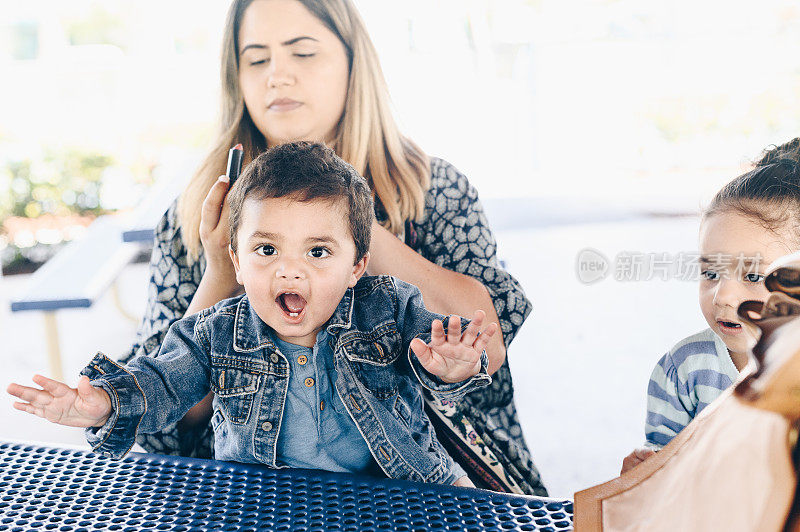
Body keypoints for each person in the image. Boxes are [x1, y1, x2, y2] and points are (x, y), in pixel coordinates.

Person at [117, 0, 542, 494]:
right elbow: (166, 429)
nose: (277, 76)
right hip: (252, 490)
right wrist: (220, 270)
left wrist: (343, 213)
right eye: (256, 60)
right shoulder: (198, 211)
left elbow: (486, 344)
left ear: (351, 63)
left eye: (302, 53)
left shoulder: (433, 187)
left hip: (437, 480)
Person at [7, 142, 498, 486]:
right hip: (263, 504)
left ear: (357, 266)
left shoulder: (389, 305)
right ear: (236, 261)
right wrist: (105, 404)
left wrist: (453, 367)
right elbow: (159, 380)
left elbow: (439, 356)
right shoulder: (216, 332)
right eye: (266, 249)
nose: (290, 270)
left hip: (404, 487)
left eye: (319, 252)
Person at [621, 154, 800, 474]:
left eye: (754, 276)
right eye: (711, 272)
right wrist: (646, 470)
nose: (722, 296)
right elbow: (664, 461)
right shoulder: (683, 369)